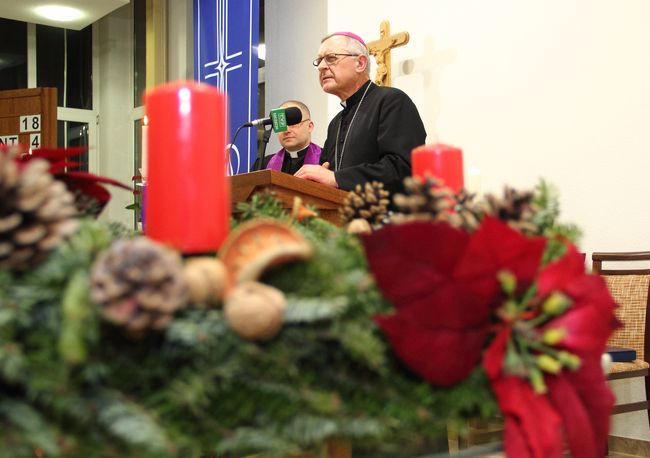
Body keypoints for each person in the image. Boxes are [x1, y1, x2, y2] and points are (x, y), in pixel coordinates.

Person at [294, 32, 426, 195]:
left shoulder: (392, 101)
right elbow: (327, 175)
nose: (321, 66)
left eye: (331, 58)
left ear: (360, 63)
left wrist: (337, 178)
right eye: (319, 60)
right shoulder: (335, 123)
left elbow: (403, 168)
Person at [252, 100, 321, 175]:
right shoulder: (263, 164)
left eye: (293, 124)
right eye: (282, 125)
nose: (287, 130)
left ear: (310, 126)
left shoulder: (325, 159)